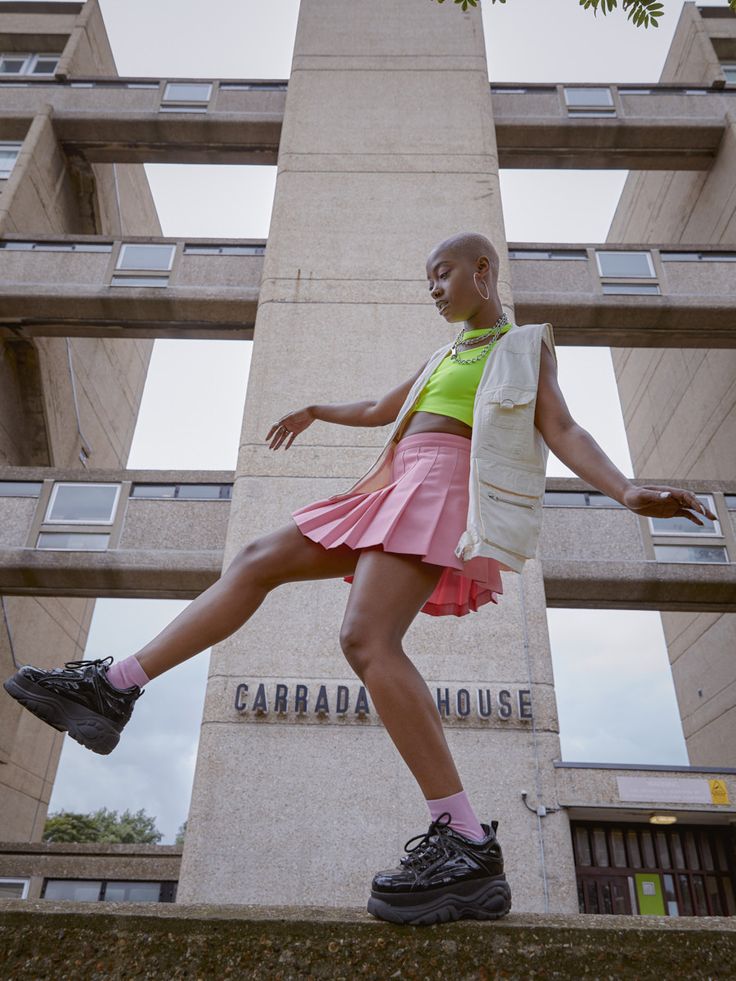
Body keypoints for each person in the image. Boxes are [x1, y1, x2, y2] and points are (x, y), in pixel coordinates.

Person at [3, 231, 716, 927]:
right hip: (393, 486)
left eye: (442, 273)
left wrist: (625, 492)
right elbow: (383, 409)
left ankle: (463, 838)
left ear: (482, 270)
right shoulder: (446, 353)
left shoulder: (522, 347)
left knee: (367, 638)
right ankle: (114, 686)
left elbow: (563, 429)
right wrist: (318, 409)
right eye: (427, 279)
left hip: (439, 489)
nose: (434, 288)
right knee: (257, 559)